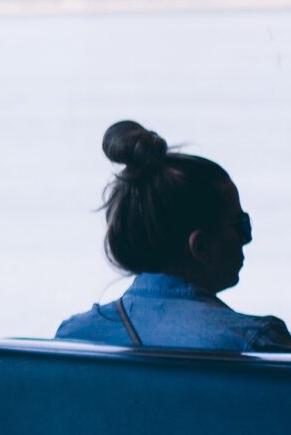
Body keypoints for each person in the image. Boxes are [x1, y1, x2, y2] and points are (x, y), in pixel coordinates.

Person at [55, 120, 290, 352]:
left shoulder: (75, 336)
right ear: (200, 247)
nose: (246, 239)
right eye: (241, 225)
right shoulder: (257, 342)